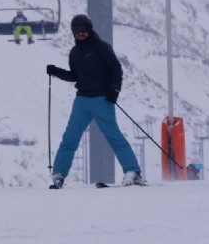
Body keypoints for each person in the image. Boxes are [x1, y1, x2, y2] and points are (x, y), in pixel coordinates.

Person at [46, 14, 142, 188]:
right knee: (70, 138)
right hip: (82, 100)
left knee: (113, 136)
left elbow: (116, 69)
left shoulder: (102, 48)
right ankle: (59, 174)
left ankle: (132, 171)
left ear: (89, 29)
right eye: (76, 30)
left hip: (101, 99)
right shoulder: (74, 53)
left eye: (83, 30)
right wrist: (56, 71)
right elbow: (74, 76)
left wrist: (114, 91)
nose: (80, 33)